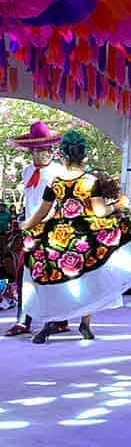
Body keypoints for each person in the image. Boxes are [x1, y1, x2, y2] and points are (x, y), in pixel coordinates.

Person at [19, 130, 131, 343]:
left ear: (63, 155)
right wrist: (118, 205)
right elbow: (99, 212)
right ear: (84, 156)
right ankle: (85, 324)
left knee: (53, 279)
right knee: (91, 277)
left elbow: (42, 213)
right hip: (84, 237)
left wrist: (26, 225)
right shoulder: (90, 181)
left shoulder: (55, 181)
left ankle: (49, 323)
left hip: (56, 237)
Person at [4, 121, 64, 338]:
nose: (42, 154)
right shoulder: (27, 171)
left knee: (52, 276)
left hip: (51, 230)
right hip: (29, 229)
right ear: (31, 151)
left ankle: (59, 319)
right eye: (38, 150)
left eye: (46, 150)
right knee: (24, 276)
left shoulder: (59, 172)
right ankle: (23, 321)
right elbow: (29, 199)